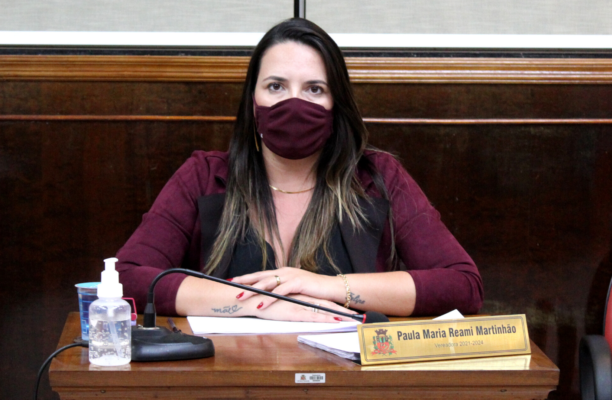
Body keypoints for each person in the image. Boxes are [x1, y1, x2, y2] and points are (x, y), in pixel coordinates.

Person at [115, 18, 483, 322]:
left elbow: (463, 285)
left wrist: (326, 287)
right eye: (276, 86)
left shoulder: (377, 177)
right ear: (253, 101)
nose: (294, 104)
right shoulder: (203, 176)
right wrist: (262, 303)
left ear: (336, 104)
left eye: (314, 89)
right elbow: (125, 278)